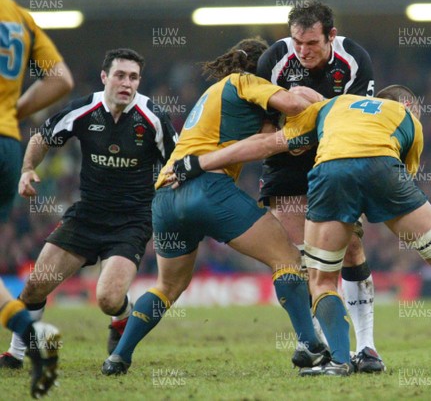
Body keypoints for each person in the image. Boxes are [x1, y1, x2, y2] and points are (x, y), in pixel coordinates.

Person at [170, 85, 431, 377]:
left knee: (322, 280)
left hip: (332, 171)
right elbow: (399, 177)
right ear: (410, 106)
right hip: (385, 170)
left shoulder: (329, 106)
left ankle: (339, 361)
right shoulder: (408, 121)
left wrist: (197, 164)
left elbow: (266, 144)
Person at [101, 38, 326, 376]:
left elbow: (265, 141)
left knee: (167, 286)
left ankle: (119, 356)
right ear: (260, 67)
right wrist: (320, 103)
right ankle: (310, 344)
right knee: (288, 259)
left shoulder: (215, 93)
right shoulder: (245, 82)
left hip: (165, 196)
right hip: (207, 188)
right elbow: (293, 105)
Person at [0, 48, 177, 370]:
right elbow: (43, 136)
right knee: (36, 285)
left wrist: (176, 194)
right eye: (120, 75)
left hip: (131, 221)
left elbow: (177, 162)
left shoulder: (153, 117)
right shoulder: (85, 109)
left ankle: (121, 317)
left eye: (133, 77)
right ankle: (15, 354)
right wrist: (27, 169)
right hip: (86, 216)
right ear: (105, 77)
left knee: (108, 299)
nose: (126, 83)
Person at [257, 0, 384, 373]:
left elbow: (359, 125)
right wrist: (292, 137)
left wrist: (320, 107)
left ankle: (368, 347)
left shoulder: (355, 60)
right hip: (285, 164)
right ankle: (322, 346)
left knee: (351, 249)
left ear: (331, 35)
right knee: (299, 257)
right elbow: (263, 129)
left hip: (336, 159)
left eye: (311, 43)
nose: (303, 51)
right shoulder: (274, 61)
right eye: (297, 41)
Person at [0, 0, 73, 397]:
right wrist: (11, 114)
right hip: (8, 145)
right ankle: (33, 335)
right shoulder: (19, 16)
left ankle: (30, 332)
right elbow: (60, 80)